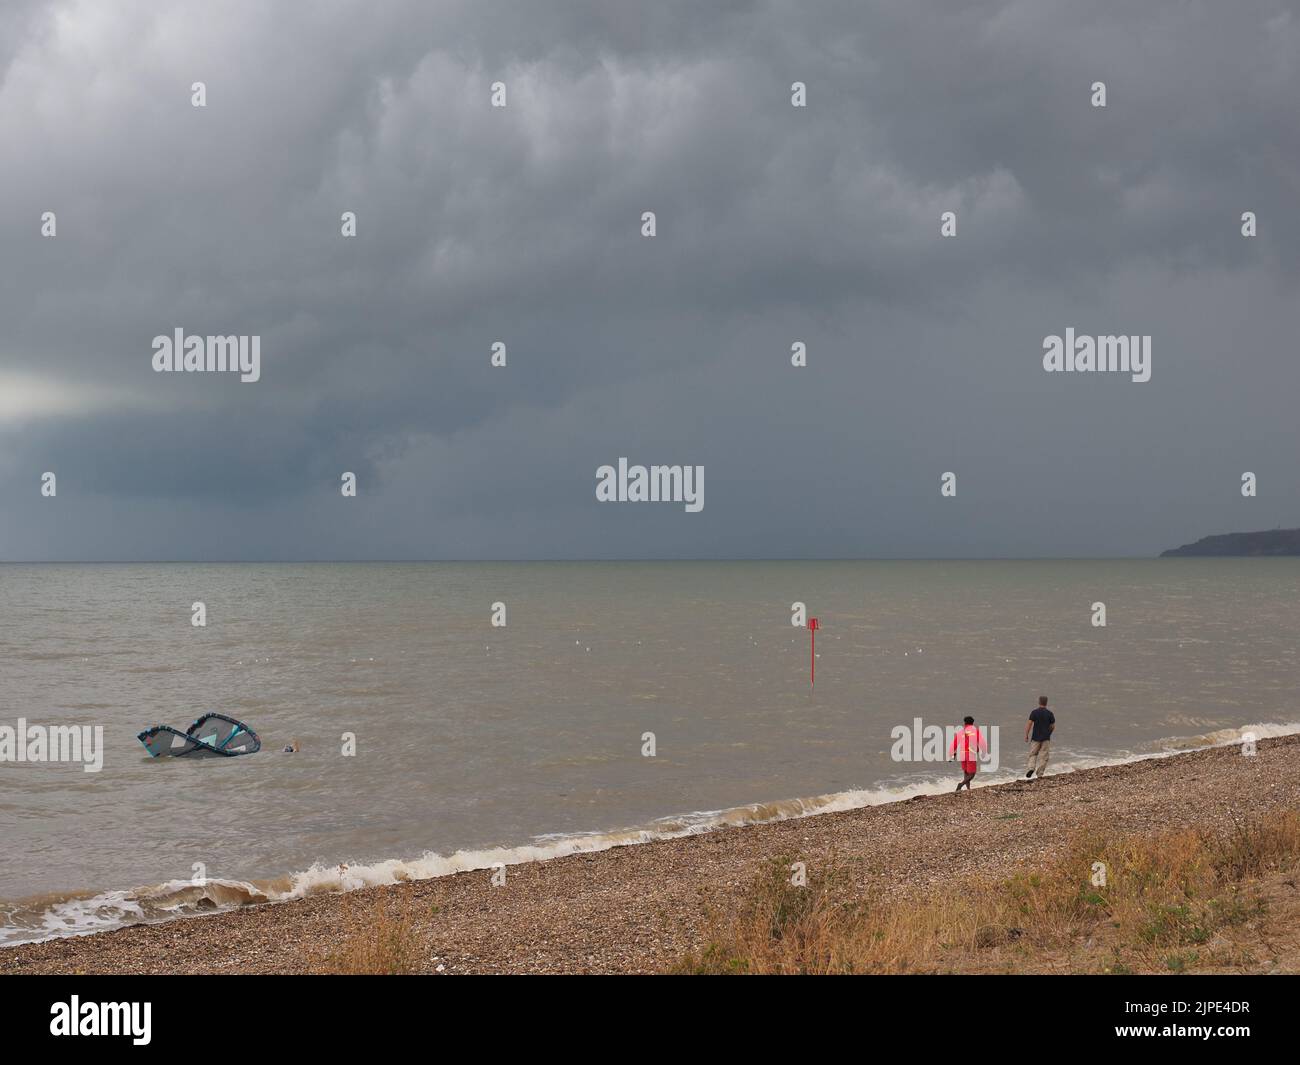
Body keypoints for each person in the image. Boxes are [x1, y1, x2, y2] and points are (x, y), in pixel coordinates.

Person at [950, 715, 986, 792]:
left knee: (966, 772)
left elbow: (954, 744)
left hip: (962, 754)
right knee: (972, 774)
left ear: (965, 723)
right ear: (972, 723)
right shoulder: (975, 731)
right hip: (971, 754)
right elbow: (982, 742)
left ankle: (968, 789)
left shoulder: (961, 732)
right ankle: (961, 784)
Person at [1025, 696, 1055, 778]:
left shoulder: (1034, 712)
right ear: (1046, 703)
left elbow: (1029, 724)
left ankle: (1031, 768)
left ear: (1039, 702)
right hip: (1046, 738)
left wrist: (1026, 735)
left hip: (1035, 738)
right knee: (1044, 756)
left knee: (1033, 754)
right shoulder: (1050, 713)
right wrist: (1049, 733)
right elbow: (1052, 726)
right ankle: (1040, 774)